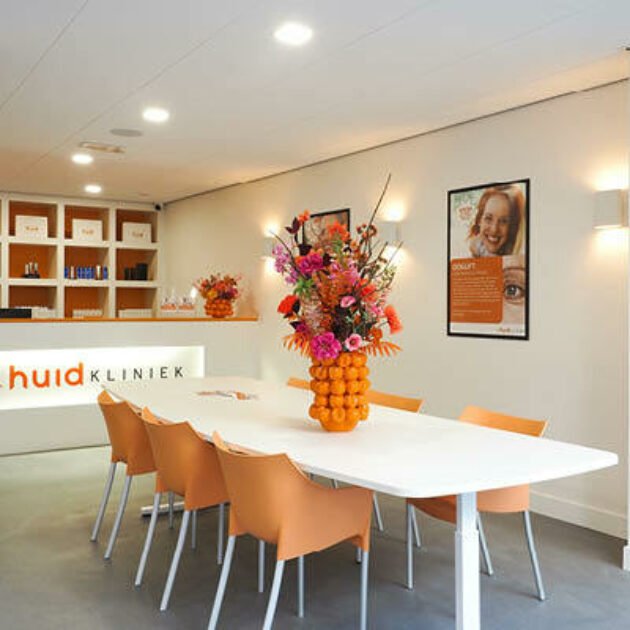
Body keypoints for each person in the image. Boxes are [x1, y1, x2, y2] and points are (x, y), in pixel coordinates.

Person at [468, 185, 525, 257]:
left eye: (503, 221)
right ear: (479, 220)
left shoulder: (519, 256)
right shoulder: (477, 245)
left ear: (514, 226)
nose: (494, 229)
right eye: (488, 218)